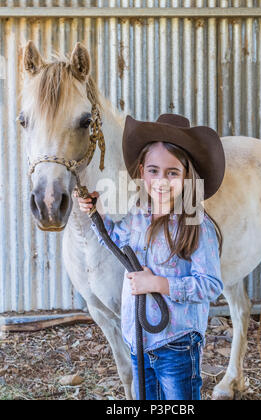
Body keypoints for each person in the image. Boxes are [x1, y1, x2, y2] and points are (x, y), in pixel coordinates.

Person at [74, 113, 225, 400]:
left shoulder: (195, 225)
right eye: (154, 171)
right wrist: (97, 214)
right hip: (138, 340)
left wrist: (157, 284)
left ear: (186, 176)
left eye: (172, 173)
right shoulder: (137, 216)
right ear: (142, 171)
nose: (161, 181)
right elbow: (118, 246)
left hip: (177, 345)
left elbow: (211, 284)